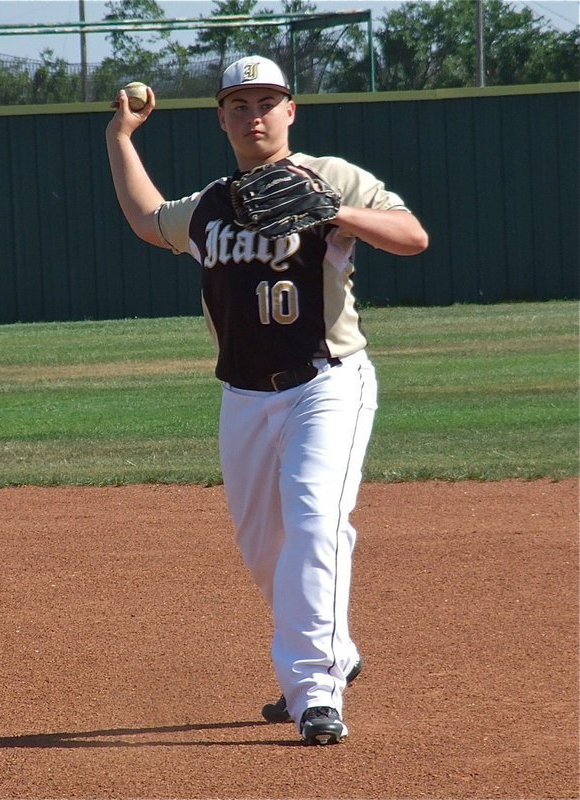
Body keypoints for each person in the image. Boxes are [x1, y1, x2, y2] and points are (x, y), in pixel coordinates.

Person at [106, 55, 428, 746]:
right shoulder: (213, 201)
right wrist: (121, 137)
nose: (254, 115)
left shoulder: (329, 175)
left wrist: (336, 212)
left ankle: (315, 690)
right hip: (244, 396)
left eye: (266, 101)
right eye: (239, 104)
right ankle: (333, 648)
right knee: (266, 551)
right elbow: (148, 220)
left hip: (326, 379)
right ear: (222, 117)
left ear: (290, 110)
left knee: (314, 518)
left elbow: (412, 237)